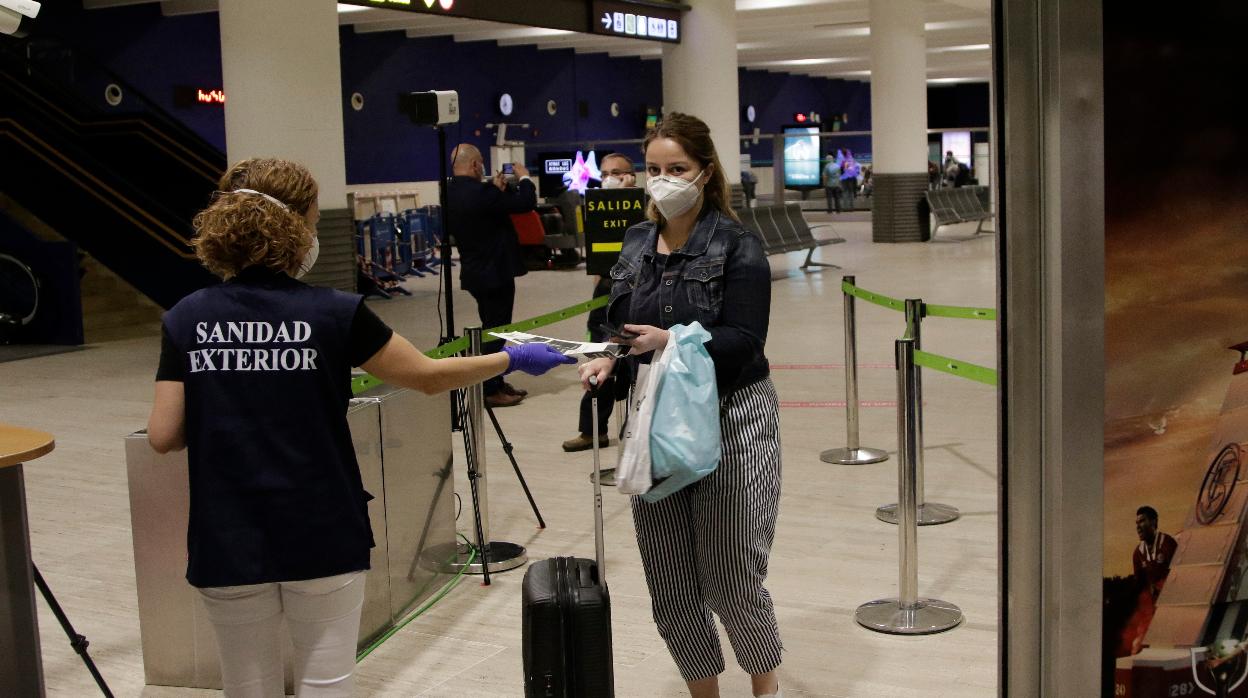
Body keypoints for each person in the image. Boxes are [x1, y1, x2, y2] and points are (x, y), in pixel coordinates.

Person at [145, 158, 572, 697]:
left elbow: (163, 434)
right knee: (328, 684)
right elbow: (426, 378)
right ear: (294, 225)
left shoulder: (187, 317)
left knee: (245, 686)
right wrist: (508, 359)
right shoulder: (333, 312)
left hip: (227, 533)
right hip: (321, 525)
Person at [580, 113, 784, 698]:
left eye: (678, 169)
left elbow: (745, 340)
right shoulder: (638, 241)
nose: (663, 180)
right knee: (670, 577)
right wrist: (607, 358)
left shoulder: (737, 244)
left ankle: (764, 686)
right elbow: (611, 319)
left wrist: (672, 340)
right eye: (654, 169)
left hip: (730, 414)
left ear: (705, 172)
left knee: (731, 572)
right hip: (653, 417)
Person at [446, 143, 538, 407]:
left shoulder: (452, 193)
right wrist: (524, 178)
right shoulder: (482, 192)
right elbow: (525, 203)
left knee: (490, 328)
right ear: (475, 165)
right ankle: (488, 388)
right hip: (495, 273)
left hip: (474, 272)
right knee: (496, 333)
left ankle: (495, 381)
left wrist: (495, 191)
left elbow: (484, 214)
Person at [563, 152, 636, 452]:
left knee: (635, 366)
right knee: (597, 361)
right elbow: (597, 260)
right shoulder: (596, 208)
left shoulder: (646, 208)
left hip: (638, 293)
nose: (609, 178)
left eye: (617, 172)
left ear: (631, 175)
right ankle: (592, 430)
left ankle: (636, 431)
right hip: (605, 292)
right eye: (604, 173)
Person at [1132, 505, 1177, 600]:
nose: (1138, 527)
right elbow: (1139, 586)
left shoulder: (1168, 543)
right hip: (1152, 605)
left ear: (1153, 522)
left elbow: (1178, 577)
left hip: (1171, 600)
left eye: (1142, 521)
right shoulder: (1138, 553)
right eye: (1137, 523)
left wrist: (1160, 588)